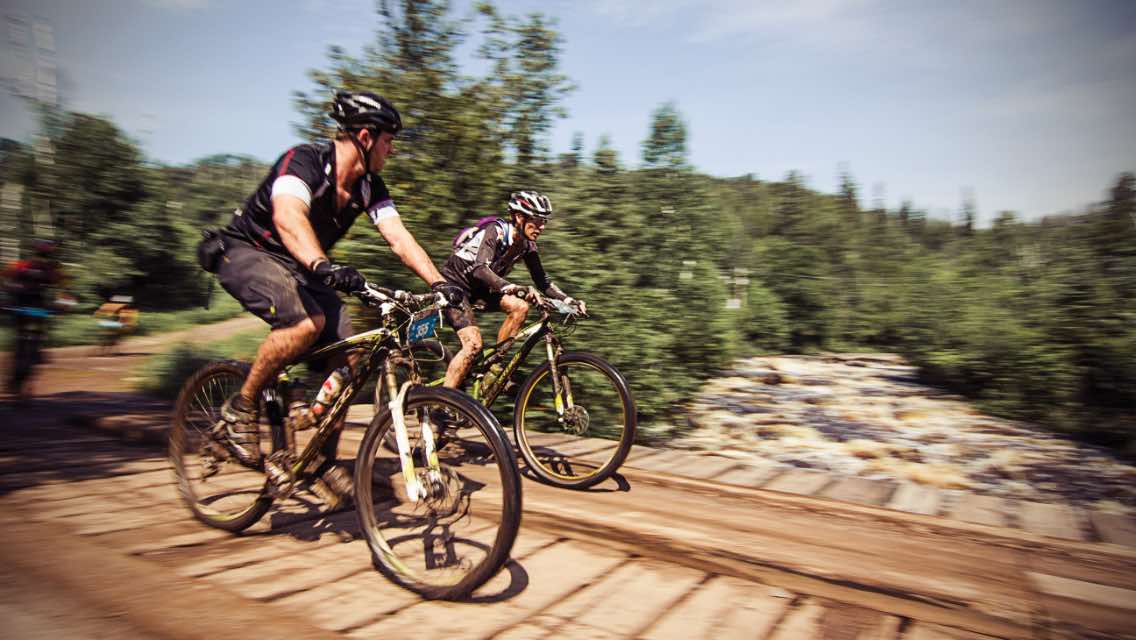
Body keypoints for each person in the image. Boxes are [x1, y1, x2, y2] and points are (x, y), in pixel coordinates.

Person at [207, 90, 463, 490]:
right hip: (247, 251)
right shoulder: (305, 160)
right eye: (388, 141)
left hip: (304, 266)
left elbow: (398, 237)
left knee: (354, 355)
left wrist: (440, 283)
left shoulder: (368, 186)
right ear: (365, 137)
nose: (391, 150)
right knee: (306, 324)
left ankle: (322, 461)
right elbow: (288, 215)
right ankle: (241, 408)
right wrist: (321, 264)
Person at [440, 190, 586, 392]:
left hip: (481, 289)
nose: (542, 226)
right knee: (473, 345)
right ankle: (442, 405)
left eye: (544, 221)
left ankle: (493, 368)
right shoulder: (495, 231)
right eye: (537, 220)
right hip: (455, 285)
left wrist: (570, 301)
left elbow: (542, 282)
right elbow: (480, 269)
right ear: (519, 217)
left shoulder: (527, 245)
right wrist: (514, 287)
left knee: (520, 307)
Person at [2, 239, 65, 400]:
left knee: (21, 340)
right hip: (37, 310)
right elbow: (64, 288)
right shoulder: (51, 269)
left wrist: (6, 298)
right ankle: (35, 358)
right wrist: (62, 305)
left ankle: (16, 378)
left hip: (22, 309)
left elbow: (4, 280)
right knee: (35, 339)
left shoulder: (21, 265)